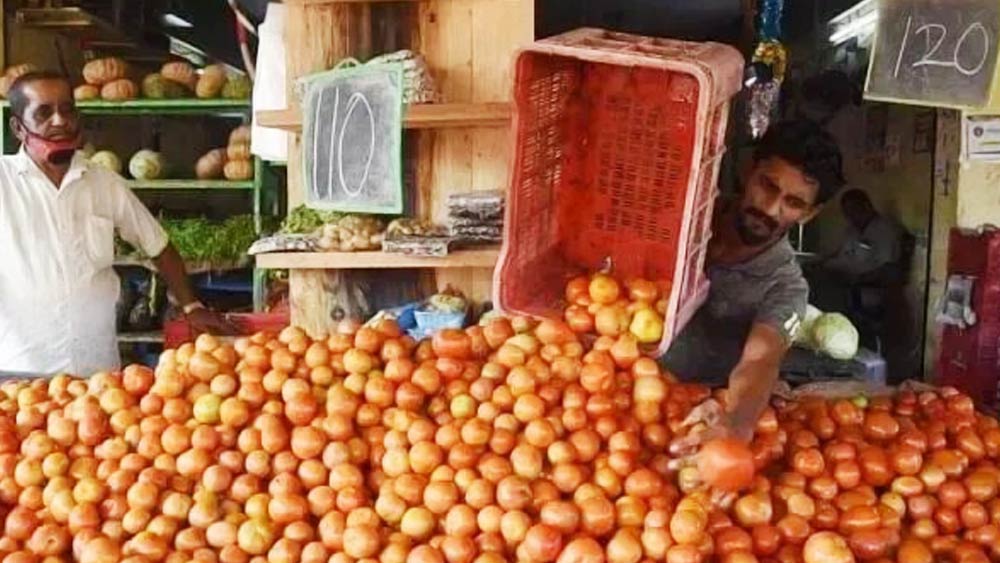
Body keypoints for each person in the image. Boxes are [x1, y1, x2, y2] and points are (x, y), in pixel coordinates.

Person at [0, 71, 234, 376]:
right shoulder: (4, 182)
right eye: (44, 112)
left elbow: (159, 245)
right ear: (18, 127)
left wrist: (192, 306)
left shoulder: (104, 183)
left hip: (97, 372)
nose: (59, 121)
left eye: (67, 109)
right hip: (21, 369)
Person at [661, 119, 845, 455]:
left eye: (793, 203)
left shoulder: (786, 286)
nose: (770, 208)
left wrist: (738, 422)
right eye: (768, 186)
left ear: (809, 214)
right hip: (624, 385)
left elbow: (761, 360)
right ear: (748, 170)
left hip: (696, 417)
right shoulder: (684, 216)